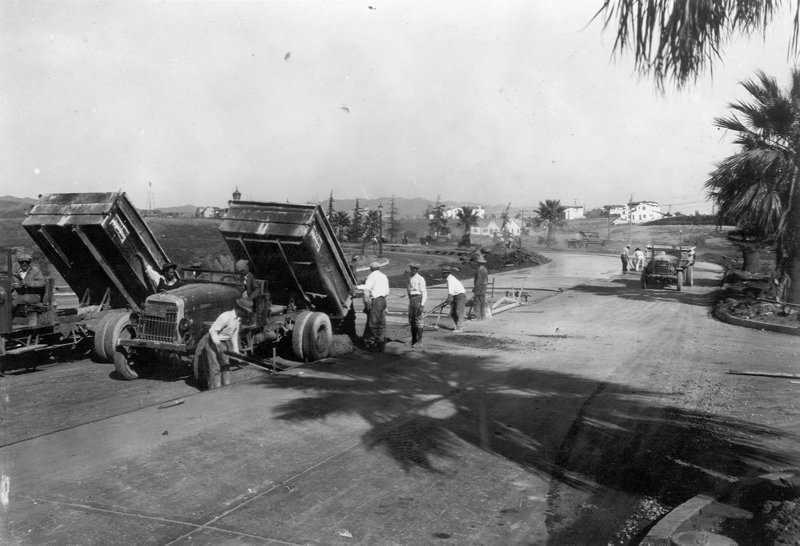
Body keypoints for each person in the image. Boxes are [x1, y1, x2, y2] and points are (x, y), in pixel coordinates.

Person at [204, 296, 252, 388]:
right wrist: (218, 345)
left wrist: (236, 353)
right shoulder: (226, 316)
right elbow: (212, 331)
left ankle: (226, 388)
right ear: (239, 309)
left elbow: (234, 336)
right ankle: (215, 390)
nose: (246, 314)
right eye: (245, 311)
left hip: (224, 342)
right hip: (213, 341)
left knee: (225, 365)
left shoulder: (238, 320)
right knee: (215, 368)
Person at [359, 261, 390, 352]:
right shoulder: (384, 276)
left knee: (373, 323)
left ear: (371, 269)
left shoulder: (371, 276)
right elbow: (387, 291)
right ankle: (377, 341)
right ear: (379, 268)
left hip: (376, 301)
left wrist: (357, 287)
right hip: (383, 300)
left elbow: (367, 287)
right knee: (381, 322)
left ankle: (378, 343)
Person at [12, 253, 47, 323]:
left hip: (34, 295)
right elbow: (13, 283)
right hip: (20, 294)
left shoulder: (35, 271)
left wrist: (28, 283)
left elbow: (42, 283)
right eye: (22, 262)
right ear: (19, 263)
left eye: (27, 262)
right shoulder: (16, 272)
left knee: (15, 300)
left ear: (29, 263)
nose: (24, 264)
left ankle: (7, 320)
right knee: (6, 298)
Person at [406, 263, 427, 347]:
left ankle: (419, 341)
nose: (413, 270)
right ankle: (413, 339)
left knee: (419, 320)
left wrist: (422, 305)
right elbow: (409, 289)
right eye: (411, 268)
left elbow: (424, 292)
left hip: (418, 299)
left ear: (417, 269)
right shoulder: (410, 278)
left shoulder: (420, 279)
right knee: (412, 321)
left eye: (415, 269)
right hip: (412, 300)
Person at [444, 267, 467, 332]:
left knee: (459, 311)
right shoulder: (450, 279)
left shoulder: (450, 279)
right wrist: (449, 299)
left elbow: (450, 291)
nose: (444, 274)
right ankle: (458, 325)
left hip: (460, 296)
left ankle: (459, 327)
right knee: (453, 313)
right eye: (443, 273)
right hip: (456, 296)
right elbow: (452, 292)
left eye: (445, 273)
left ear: (448, 273)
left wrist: (449, 298)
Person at [472, 255, 489, 320]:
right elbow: (486, 279)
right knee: (482, 301)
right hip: (484, 286)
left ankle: (477, 316)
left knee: (477, 301)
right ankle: (483, 316)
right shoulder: (485, 269)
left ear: (478, 263)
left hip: (479, 287)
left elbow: (478, 279)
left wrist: (475, 288)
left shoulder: (479, 270)